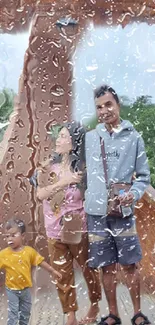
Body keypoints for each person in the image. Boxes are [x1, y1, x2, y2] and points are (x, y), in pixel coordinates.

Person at [85, 85, 151, 325]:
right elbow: (80, 170)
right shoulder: (90, 138)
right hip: (95, 213)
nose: (104, 111)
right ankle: (113, 313)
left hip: (122, 212)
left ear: (118, 104)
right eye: (99, 107)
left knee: (130, 264)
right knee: (106, 267)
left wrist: (132, 194)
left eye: (108, 104)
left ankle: (137, 313)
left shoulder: (134, 138)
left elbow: (143, 177)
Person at [31, 121, 101, 325]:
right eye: (58, 135)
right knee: (62, 274)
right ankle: (70, 315)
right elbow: (40, 194)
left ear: (75, 142)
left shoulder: (85, 170)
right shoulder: (46, 166)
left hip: (76, 226)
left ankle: (95, 305)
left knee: (88, 268)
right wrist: (64, 181)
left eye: (63, 136)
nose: (58, 140)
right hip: (53, 227)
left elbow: (94, 196)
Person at [0, 218, 62, 325]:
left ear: (23, 236)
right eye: (7, 236)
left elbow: (41, 262)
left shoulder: (29, 252)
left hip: (25, 290)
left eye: (13, 235)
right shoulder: (3, 254)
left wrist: (52, 271)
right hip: (11, 290)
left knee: (25, 313)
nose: (10, 239)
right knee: (13, 314)